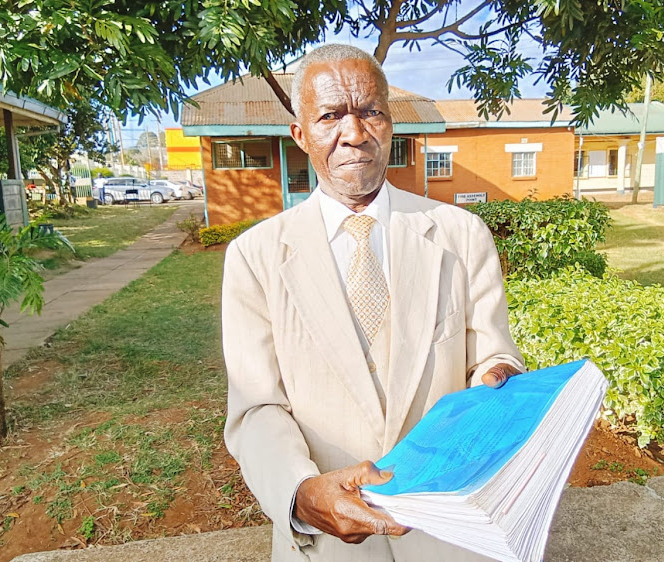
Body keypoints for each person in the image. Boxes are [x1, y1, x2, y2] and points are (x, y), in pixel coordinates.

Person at [222, 44, 525, 561]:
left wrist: (499, 375)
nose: (354, 133)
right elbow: (257, 407)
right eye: (330, 116)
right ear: (300, 135)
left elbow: (492, 355)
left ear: (390, 123)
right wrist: (301, 493)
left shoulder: (461, 234)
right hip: (327, 546)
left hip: (449, 532)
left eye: (370, 112)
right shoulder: (255, 256)